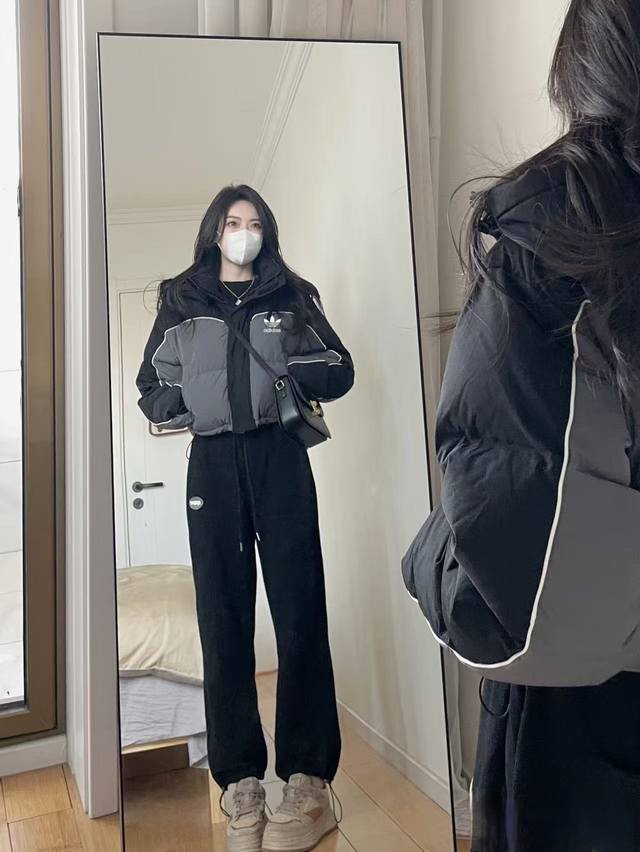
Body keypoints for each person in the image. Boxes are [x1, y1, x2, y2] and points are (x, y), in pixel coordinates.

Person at [402, 1, 640, 849]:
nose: (242, 234)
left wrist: (425, 552)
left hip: (589, 751)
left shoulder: (557, 246)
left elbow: (514, 606)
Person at [136, 184, 354, 852]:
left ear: (267, 232)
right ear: (214, 230)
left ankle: (309, 780)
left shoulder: (292, 296)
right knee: (222, 619)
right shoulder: (181, 299)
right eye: (233, 221)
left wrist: (287, 367)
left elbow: (339, 368)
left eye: (255, 222)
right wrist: (192, 406)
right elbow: (150, 387)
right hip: (212, 465)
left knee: (300, 611)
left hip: (280, 457)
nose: (244, 232)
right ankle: (240, 784)